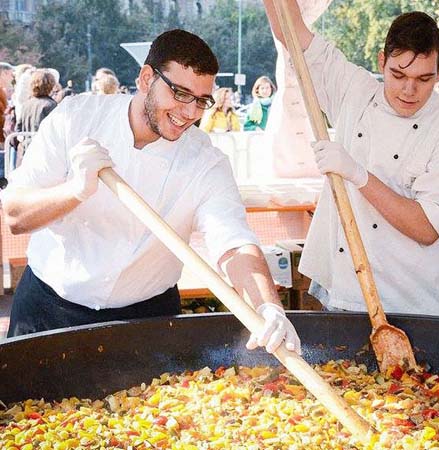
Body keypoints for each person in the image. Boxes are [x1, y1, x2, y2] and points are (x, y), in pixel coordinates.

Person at [0, 29, 301, 356]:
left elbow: (234, 243)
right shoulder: (75, 117)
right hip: (48, 309)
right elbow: (15, 215)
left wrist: (268, 308)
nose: (189, 112)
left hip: (147, 319)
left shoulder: (206, 162)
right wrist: (75, 190)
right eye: (180, 93)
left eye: (201, 100)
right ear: (146, 78)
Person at [262, 3, 439, 315]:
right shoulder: (354, 90)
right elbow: (290, 31)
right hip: (341, 289)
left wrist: (358, 175)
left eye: (424, 78)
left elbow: (427, 228)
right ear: (381, 61)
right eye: (398, 74)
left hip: (408, 302)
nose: (409, 89)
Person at [16, 69, 58, 133]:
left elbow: (18, 128)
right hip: (43, 142)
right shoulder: (51, 105)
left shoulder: (26, 104)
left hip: (27, 142)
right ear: (51, 85)